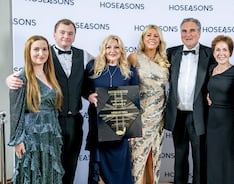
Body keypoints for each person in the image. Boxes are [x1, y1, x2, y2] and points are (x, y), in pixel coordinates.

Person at [6, 19, 91, 184]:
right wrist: (8, 79)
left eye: (70, 33)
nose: (41, 53)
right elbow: (16, 109)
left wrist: (93, 94)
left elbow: (92, 78)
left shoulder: (80, 57)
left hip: (62, 127)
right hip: (36, 133)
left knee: (63, 168)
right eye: (62, 32)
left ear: (74, 36)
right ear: (54, 35)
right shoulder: (24, 75)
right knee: (35, 173)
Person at [164, 17, 215, 184]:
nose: (188, 34)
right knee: (179, 157)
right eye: (184, 31)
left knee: (200, 159)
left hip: (199, 115)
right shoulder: (170, 53)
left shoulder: (211, 54)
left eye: (192, 30)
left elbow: (219, 80)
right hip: (177, 114)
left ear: (199, 33)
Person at [83, 35, 139, 184]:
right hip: (97, 122)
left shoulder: (129, 70)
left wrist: (133, 127)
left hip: (121, 126)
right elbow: (83, 89)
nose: (112, 51)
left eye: (116, 47)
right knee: (99, 161)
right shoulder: (92, 67)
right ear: (103, 49)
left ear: (121, 50)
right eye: (108, 47)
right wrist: (89, 97)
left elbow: (134, 99)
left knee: (120, 163)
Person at [8, 35, 64, 183]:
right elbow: (15, 113)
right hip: (31, 138)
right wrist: (17, 141)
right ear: (28, 52)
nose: (41, 53)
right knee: (33, 174)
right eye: (36, 49)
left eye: (45, 49)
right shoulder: (21, 78)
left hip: (51, 134)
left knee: (50, 171)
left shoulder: (50, 76)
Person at [127, 24, 170, 184]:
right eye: (148, 35)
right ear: (143, 39)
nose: (152, 38)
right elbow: (126, 88)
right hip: (140, 118)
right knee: (137, 161)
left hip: (159, 117)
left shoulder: (164, 60)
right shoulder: (133, 57)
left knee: (154, 159)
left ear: (159, 40)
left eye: (155, 35)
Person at [206, 35, 234, 184]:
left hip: (227, 120)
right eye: (218, 50)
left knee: (227, 157)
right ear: (213, 53)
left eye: (225, 50)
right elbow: (207, 89)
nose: (221, 53)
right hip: (211, 119)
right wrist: (207, 94)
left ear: (230, 53)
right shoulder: (211, 69)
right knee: (213, 158)